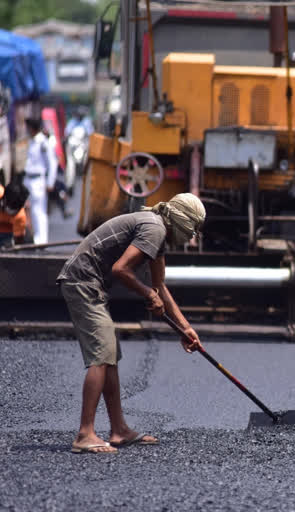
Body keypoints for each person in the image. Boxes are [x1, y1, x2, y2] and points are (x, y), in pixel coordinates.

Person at [56, 193, 206, 454]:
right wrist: (147, 295)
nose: (192, 236)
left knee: (109, 354)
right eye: (193, 228)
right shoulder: (155, 229)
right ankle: (84, 434)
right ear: (182, 221)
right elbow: (121, 270)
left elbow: (160, 287)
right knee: (101, 356)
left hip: (92, 284)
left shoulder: (157, 233)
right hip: (82, 282)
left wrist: (185, 328)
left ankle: (119, 430)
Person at [22, 118, 59, 245]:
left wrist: (50, 183)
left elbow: (52, 163)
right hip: (28, 179)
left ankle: (42, 240)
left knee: (39, 211)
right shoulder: (31, 142)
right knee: (30, 210)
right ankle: (34, 238)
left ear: (33, 128)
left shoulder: (43, 142)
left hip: (38, 180)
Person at [0, 176, 28, 248]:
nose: (11, 212)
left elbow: (18, 240)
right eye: (10, 207)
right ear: (4, 198)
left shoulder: (20, 217)